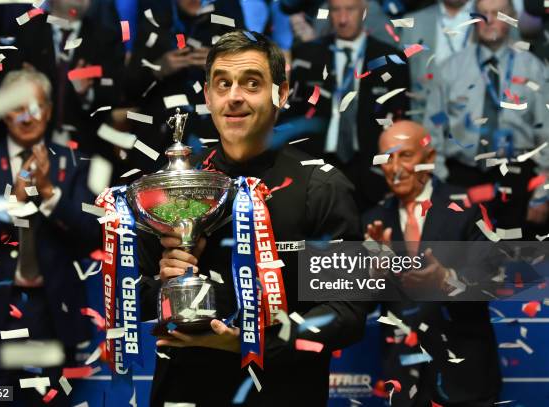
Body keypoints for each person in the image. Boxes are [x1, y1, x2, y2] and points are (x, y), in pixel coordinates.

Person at [137, 30, 369, 406]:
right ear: (207, 95)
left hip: (283, 392)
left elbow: (346, 314)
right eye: (223, 84)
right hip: (185, 391)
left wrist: (249, 341)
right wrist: (169, 284)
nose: (234, 97)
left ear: (283, 92)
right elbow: (139, 298)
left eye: (252, 83)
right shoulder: (175, 187)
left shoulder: (322, 187)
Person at [0, 69, 100, 406]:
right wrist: (12, 203)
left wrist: (49, 194)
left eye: (35, 105)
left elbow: (92, 231)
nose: (27, 115)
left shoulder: (74, 164)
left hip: (52, 315)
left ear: (48, 111)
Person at [364, 120, 501, 407]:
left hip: (464, 377)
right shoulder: (373, 221)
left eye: (405, 155)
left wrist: (445, 279)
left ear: (430, 158)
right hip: (402, 380)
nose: (396, 167)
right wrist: (374, 273)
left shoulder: (467, 207)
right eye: (387, 158)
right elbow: (362, 303)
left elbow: (491, 279)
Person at [424, 0, 549, 237]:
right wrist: (439, 187)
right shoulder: (450, 69)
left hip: (516, 177)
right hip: (461, 177)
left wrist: (542, 193)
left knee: (514, 263)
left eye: (498, 14)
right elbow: (433, 130)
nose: (489, 21)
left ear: (511, 18)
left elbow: (547, 136)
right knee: (461, 263)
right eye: (483, 14)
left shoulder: (534, 69)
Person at [279, 0, 410, 212]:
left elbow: (400, 123)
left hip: (370, 171)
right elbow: (294, 119)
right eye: (336, 10)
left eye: (350, 10)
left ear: (364, 11)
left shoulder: (390, 60)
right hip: (317, 168)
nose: (342, 19)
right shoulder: (307, 55)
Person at [120, 0, 244, 175]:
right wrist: (159, 68)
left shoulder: (226, 15)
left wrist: (221, 65)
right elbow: (128, 88)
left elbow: (248, 76)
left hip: (214, 135)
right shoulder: (156, 19)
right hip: (159, 140)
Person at [11, 0, 125, 159]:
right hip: (33, 143)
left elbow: (116, 92)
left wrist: (86, 93)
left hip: (89, 148)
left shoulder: (106, 37)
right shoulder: (27, 32)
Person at [399, 0, 475, 114]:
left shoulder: (493, 19)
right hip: (423, 121)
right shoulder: (412, 23)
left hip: (476, 120)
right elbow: (400, 77)